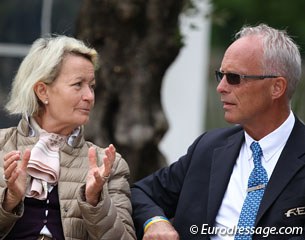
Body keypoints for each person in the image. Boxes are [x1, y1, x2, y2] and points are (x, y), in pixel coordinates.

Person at [131, 23, 305, 240]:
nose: (221, 87)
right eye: (220, 75)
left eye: (234, 77)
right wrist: (155, 222)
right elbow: (142, 193)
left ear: (276, 87)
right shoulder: (208, 147)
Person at [0, 35, 136, 239]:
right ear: (42, 91)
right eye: (78, 84)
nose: (89, 96)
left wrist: (95, 201)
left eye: (91, 86)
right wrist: (9, 200)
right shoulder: (2, 146)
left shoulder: (109, 165)